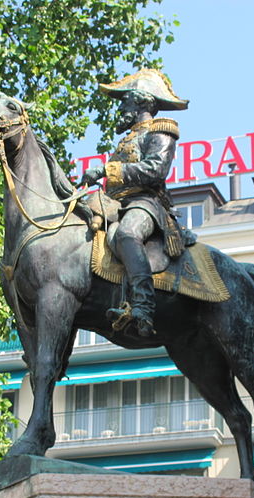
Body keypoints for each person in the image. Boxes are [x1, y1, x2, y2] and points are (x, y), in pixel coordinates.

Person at [81, 69, 189, 337]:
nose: (122, 106)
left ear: (141, 101)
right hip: (115, 205)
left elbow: (156, 169)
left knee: (128, 234)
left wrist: (108, 170)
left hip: (147, 203)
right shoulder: (126, 139)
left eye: (126, 100)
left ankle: (142, 307)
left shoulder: (161, 130)